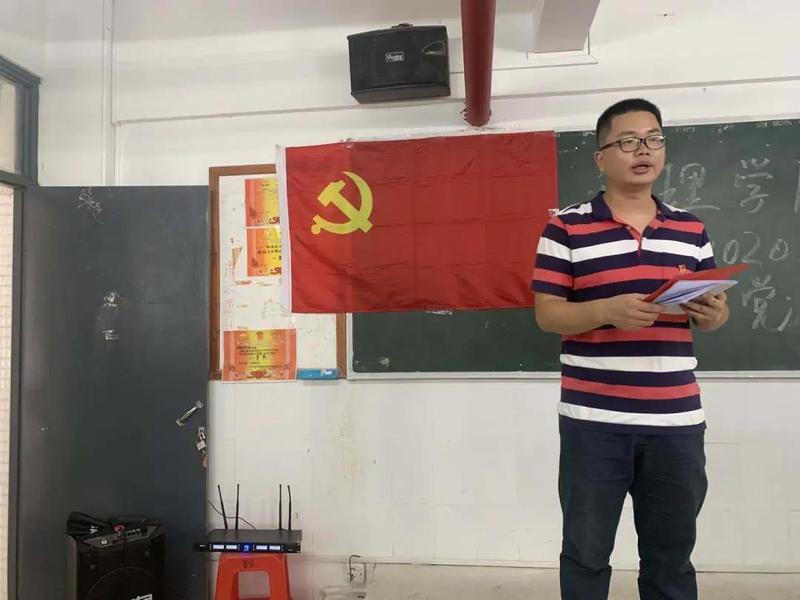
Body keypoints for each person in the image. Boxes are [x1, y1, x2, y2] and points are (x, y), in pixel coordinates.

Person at [531, 98, 729, 600]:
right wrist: (605, 310)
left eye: (653, 139)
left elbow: (713, 314)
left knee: (671, 559)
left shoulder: (691, 229)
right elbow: (547, 314)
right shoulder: (566, 228)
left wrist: (714, 314)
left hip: (676, 422)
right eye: (628, 141)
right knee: (586, 554)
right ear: (600, 156)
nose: (644, 150)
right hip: (593, 423)